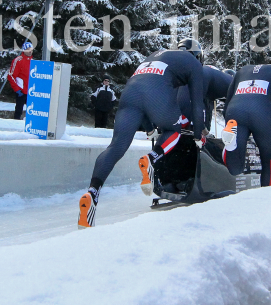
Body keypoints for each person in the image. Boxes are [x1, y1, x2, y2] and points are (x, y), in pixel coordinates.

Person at [78, 39, 207, 228]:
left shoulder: (156, 54)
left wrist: (149, 129)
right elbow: (197, 104)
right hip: (156, 94)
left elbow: (142, 88)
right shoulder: (193, 64)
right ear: (197, 55)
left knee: (115, 147)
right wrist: (198, 135)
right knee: (174, 129)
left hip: (130, 94)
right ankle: (152, 159)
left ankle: (92, 192)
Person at [221, 64, 271, 187]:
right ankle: (265, 195)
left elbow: (227, 103)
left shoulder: (242, 70)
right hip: (261, 112)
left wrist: (228, 120)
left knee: (236, 169)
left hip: (235, 111)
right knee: (267, 161)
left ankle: (230, 146)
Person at [176, 64, 234, 133]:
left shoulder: (215, 77)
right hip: (198, 83)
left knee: (181, 118)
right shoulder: (231, 83)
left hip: (187, 82)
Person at [7, 41, 35, 120]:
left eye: (31, 50)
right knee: (19, 109)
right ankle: (16, 123)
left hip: (31, 91)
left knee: (33, 110)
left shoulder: (34, 61)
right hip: (21, 91)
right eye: (28, 49)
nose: (30, 51)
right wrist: (17, 89)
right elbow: (11, 76)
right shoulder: (18, 60)